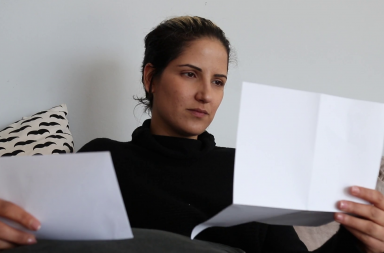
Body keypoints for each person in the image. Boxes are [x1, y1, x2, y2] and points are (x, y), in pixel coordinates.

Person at [1, 16, 384, 253]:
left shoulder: (249, 169)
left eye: (218, 81)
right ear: (151, 77)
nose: (206, 94)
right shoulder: (100, 158)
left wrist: (360, 241)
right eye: (189, 74)